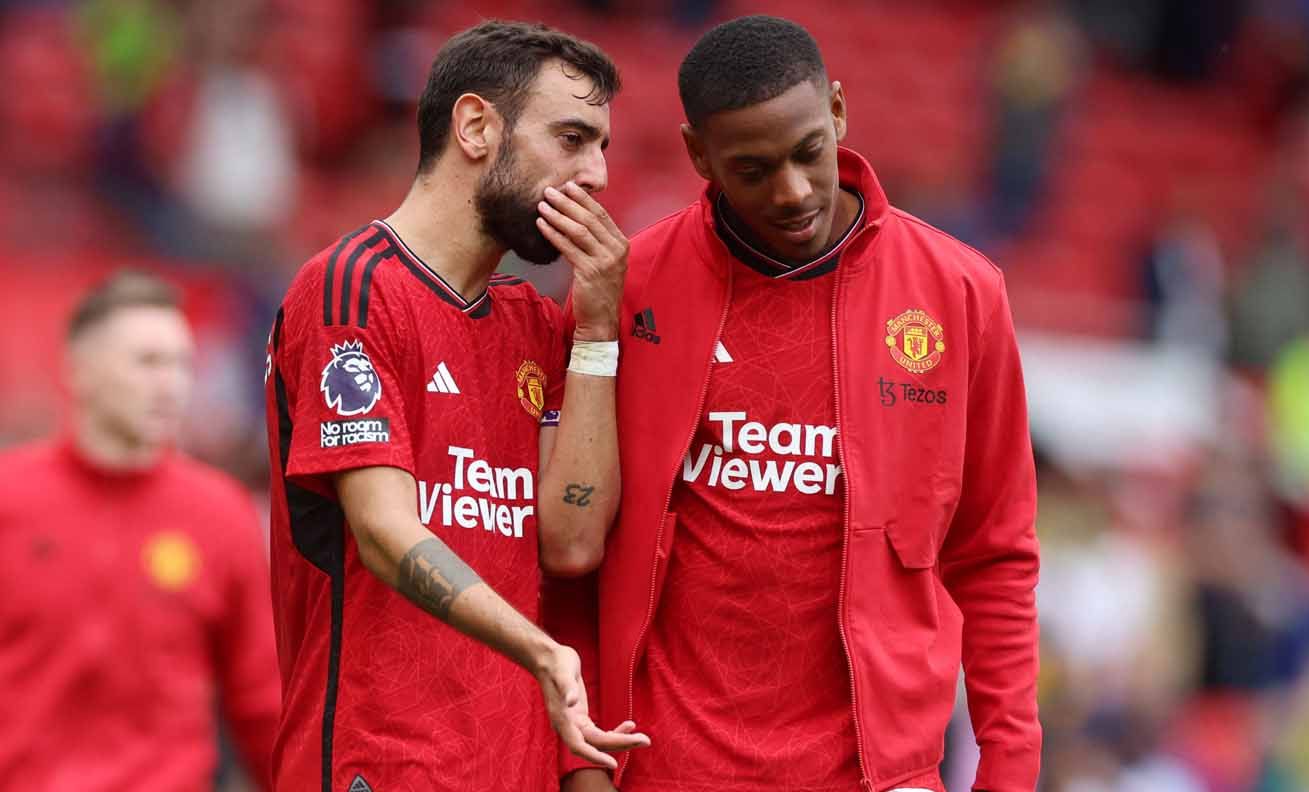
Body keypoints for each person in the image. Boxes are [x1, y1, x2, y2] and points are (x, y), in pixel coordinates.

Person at [551, 15, 1041, 792]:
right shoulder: (627, 286)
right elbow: (570, 555)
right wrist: (580, 760)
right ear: (697, 154)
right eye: (752, 168)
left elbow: (995, 556)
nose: (793, 191)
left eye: (810, 152)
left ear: (839, 110)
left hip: (881, 774)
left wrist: (1009, 771)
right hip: (668, 768)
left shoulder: (960, 294)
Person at [263, 20, 648, 792]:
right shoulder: (353, 289)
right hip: (378, 762)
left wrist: (599, 329)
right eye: (572, 138)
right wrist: (540, 651)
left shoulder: (536, 325)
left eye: (602, 146)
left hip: (513, 766)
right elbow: (382, 530)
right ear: (476, 127)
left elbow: (571, 544)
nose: (599, 173)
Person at [0, 271, 279, 789]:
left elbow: (261, 702)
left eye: (181, 364)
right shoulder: (9, 501)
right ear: (79, 370)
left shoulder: (221, 513)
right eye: (148, 362)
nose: (171, 383)